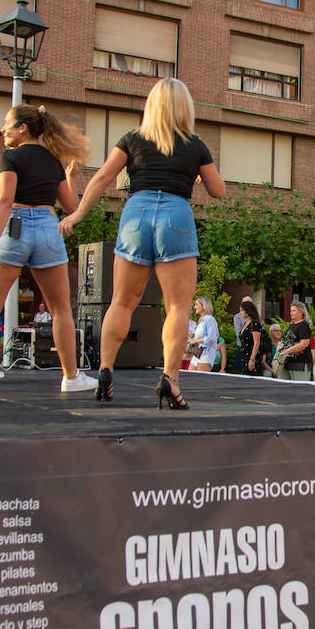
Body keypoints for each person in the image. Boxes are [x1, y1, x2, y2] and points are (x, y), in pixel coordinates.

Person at [55, 78, 224, 406]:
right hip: (176, 213)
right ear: (185, 107)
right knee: (176, 306)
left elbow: (103, 176)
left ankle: (104, 372)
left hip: (136, 212)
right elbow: (218, 190)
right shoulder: (195, 144)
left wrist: (76, 214)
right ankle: (170, 380)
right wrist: (198, 176)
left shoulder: (132, 139)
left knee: (121, 302)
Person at [0, 102, 92, 395]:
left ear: (22, 128)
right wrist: (68, 178)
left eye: (7, 125)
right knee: (61, 310)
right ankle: (71, 377)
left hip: (15, 228)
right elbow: (71, 208)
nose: (3, 131)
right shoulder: (52, 160)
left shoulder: (10, 157)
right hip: (46, 227)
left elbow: (3, 201)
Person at [275, 302, 314, 382]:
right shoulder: (292, 325)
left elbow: (304, 344)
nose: (291, 313)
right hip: (287, 361)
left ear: (301, 312)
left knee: (299, 387)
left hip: (300, 362)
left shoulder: (304, 325)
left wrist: (288, 351)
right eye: (290, 311)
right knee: (284, 386)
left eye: (294, 311)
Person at [186, 296, 219, 372]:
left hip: (205, 354)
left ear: (204, 306)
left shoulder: (209, 319)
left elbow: (212, 338)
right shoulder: (200, 320)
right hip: (197, 353)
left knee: (200, 380)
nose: (194, 307)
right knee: (190, 377)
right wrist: (192, 337)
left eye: (197, 305)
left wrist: (195, 341)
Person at [238, 300, 265, 376]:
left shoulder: (254, 324)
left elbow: (257, 342)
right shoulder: (245, 323)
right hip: (244, 355)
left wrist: (252, 359)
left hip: (252, 356)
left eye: (242, 310)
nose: (240, 312)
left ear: (248, 311)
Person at [233, 296, 253, 374]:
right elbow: (239, 333)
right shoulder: (237, 317)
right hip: (242, 348)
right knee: (241, 371)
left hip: (254, 349)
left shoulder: (256, 317)